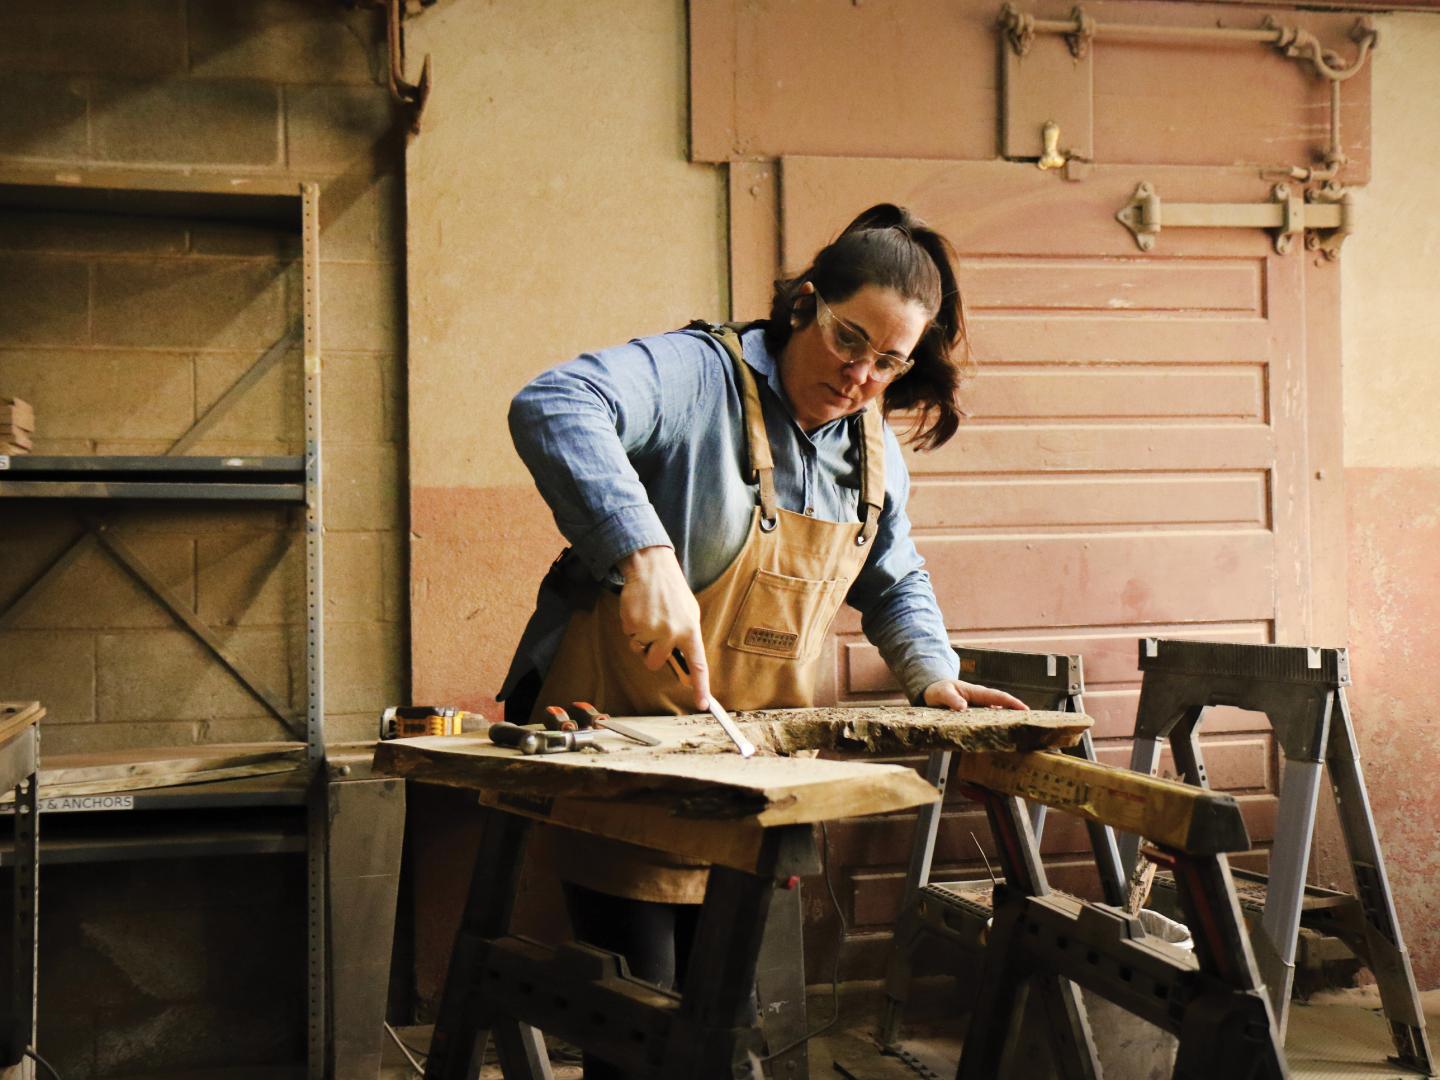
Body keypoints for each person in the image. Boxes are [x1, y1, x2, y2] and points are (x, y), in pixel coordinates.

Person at [500, 203, 1024, 1075]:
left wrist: (935, 675)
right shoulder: (702, 375)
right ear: (805, 304)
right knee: (641, 1031)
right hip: (623, 742)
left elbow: (894, 582)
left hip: (743, 774)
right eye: (848, 340)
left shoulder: (872, 452)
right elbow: (554, 402)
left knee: (722, 1026)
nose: (861, 376)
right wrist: (644, 554)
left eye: (889, 362)